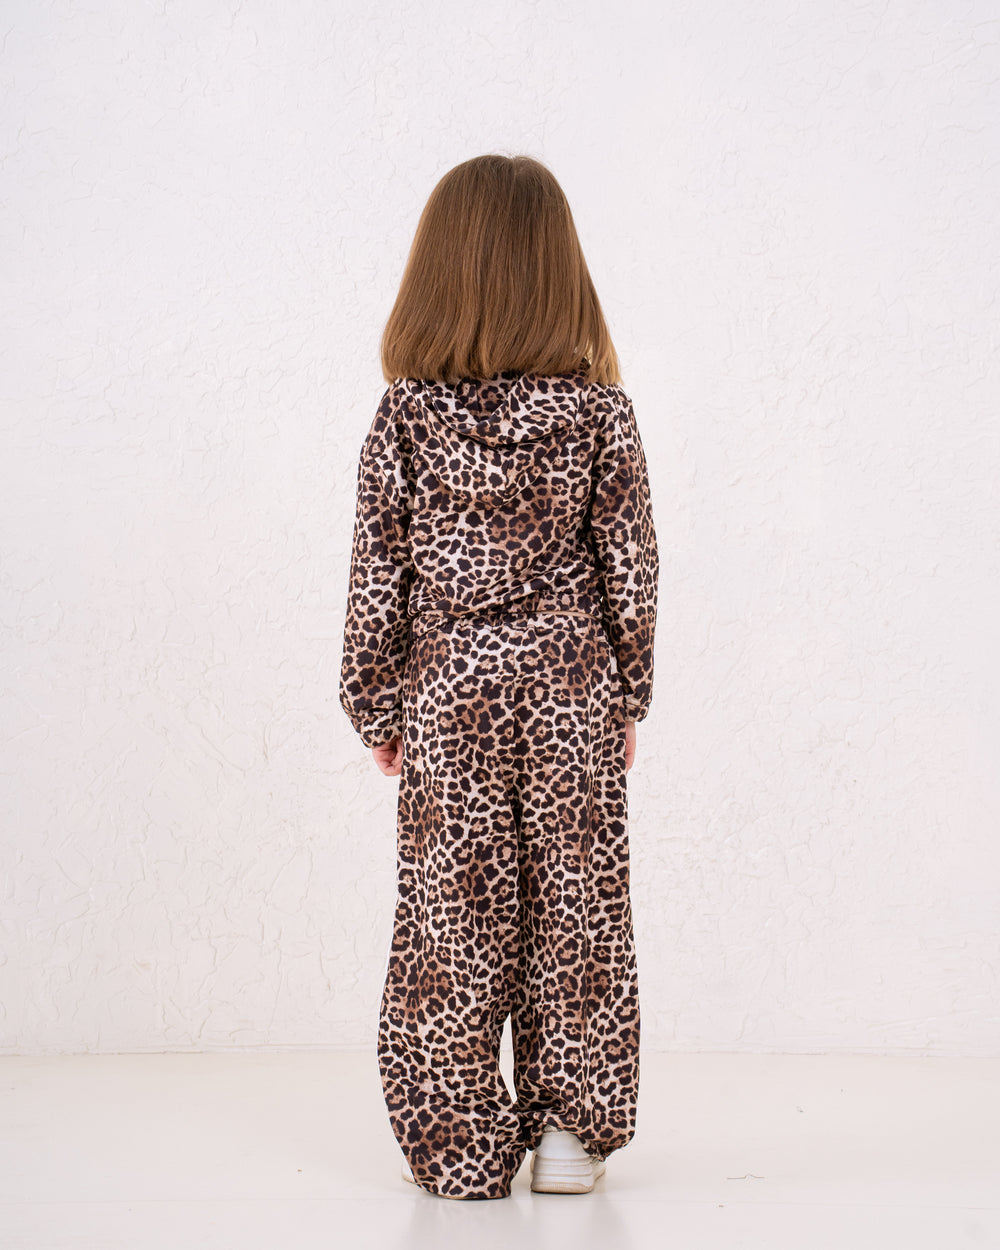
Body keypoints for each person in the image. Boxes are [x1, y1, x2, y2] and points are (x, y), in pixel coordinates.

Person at [339, 153, 659, 1201]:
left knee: (453, 911)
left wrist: (376, 703)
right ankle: (570, 1133)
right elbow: (631, 565)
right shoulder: (601, 415)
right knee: (577, 902)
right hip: (570, 684)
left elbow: (377, 572)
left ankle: (460, 1144)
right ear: (561, 274)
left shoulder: (405, 417)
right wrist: (627, 690)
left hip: (450, 692)